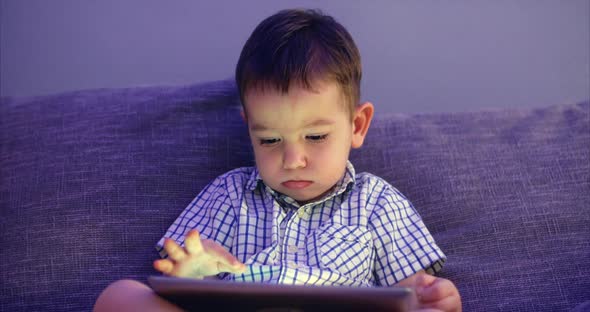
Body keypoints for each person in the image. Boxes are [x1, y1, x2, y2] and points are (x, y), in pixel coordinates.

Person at [95, 8, 461, 312]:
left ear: (357, 126)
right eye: (269, 140)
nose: (293, 160)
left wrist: (434, 296)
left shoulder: (376, 203)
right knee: (119, 296)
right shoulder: (230, 195)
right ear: (249, 130)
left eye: (316, 137)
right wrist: (188, 271)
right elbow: (176, 282)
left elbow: (410, 290)